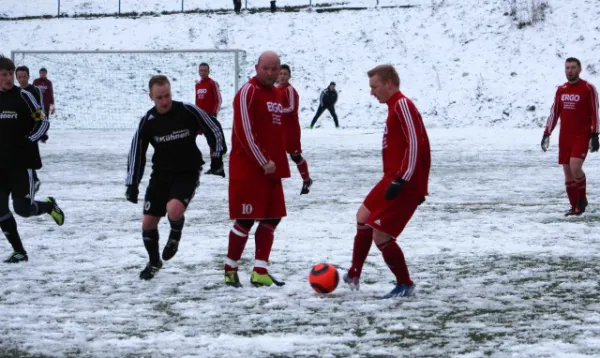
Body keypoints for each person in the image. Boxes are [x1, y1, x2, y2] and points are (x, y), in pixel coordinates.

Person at [125, 75, 227, 280]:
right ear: (151, 97)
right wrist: (132, 184)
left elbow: (213, 127)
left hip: (187, 171)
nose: (164, 101)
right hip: (161, 174)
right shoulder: (148, 121)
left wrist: (217, 158)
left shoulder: (187, 110)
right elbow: (137, 152)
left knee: (174, 209)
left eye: (167, 95)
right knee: (148, 223)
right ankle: (154, 262)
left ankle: (175, 232)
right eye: (160, 97)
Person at [343, 64, 430, 298]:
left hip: (403, 181)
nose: (372, 92)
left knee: (381, 235)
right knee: (362, 217)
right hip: (391, 178)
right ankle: (354, 273)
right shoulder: (394, 107)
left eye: (375, 86)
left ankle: (405, 283)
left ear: (389, 83)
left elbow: (416, 143)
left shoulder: (402, 104)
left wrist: (404, 179)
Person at [224, 50, 290, 288]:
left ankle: (260, 270)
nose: (271, 73)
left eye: (275, 69)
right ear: (257, 67)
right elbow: (244, 132)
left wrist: (291, 156)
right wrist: (263, 160)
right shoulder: (247, 92)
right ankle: (230, 269)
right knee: (246, 219)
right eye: (266, 69)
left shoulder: (276, 94)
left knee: (273, 217)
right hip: (250, 168)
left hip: (271, 168)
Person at [0, 56, 65, 264]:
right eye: (4, 75)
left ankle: (48, 206)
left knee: (22, 209)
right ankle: (19, 251)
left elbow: (43, 121)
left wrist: (30, 139)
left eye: (11, 74)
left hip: (21, 165)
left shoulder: (25, 96)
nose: (9, 78)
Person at [541, 57, 599, 216]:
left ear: (580, 69)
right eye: (567, 68)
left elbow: (595, 112)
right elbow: (554, 112)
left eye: (573, 67)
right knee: (567, 171)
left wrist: (595, 135)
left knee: (575, 167)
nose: (570, 71)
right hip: (565, 136)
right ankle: (574, 206)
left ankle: (581, 201)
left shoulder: (588, 88)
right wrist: (547, 132)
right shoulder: (561, 89)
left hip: (581, 135)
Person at [277, 64, 313, 194]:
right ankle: (274, 184)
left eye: (285, 74)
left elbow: (292, 108)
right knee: (275, 155)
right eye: (280, 74)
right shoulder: (275, 90)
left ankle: (307, 180)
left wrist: (277, 111)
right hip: (278, 129)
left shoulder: (290, 90)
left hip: (290, 129)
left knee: (295, 156)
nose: (282, 76)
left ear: (289, 76)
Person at [16, 66, 46, 194]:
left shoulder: (34, 90)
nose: (22, 79)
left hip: (30, 129)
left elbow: (40, 110)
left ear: (28, 76)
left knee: (27, 156)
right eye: (19, 77)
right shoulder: (14, 92)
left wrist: (40, 128)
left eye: (24, 77)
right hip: (16, 129)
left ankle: (33, 180)